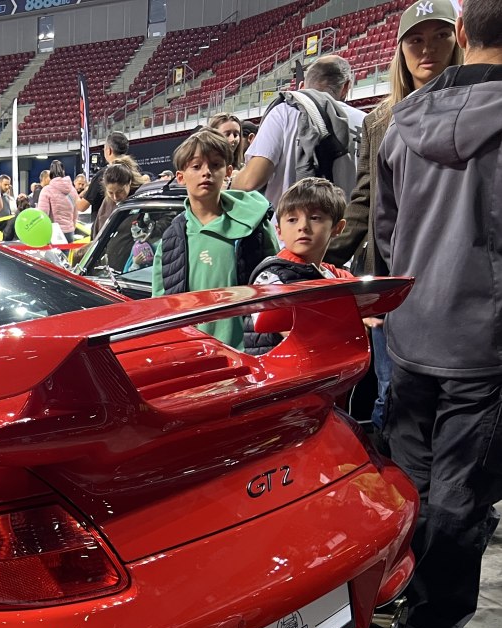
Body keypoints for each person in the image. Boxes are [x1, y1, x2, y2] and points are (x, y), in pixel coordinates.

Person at [376, 0, 502, 628]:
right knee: (461, 495)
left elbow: (384, 233)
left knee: (412, 482)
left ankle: (395, 607)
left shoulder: (400, 121)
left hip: (410, 328)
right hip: (483, 339)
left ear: (459, 35)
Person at [325, 0, 462, 441]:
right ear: (401, 51)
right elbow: (367, 202)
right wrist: (315, 261)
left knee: (460, 405)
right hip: (401, 283)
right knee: (396, 396)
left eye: (440, 36)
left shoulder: (476, 105)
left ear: (458, 40)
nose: (429, 50)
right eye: (416, 40)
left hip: (463, 276)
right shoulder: (382, 120)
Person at [151, 127, 277, 349]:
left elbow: (274, 285)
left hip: (248, 352)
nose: (206, 172)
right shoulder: (171, 240)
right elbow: (161, 307)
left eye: (215, 165)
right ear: (180, 177)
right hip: (192, 353)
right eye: (196, 166)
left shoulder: (255, 226)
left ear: (228, 172)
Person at [243, 177, 357, 355]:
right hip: (281, 375)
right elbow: (292, 331)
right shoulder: (271, 276)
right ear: (278, 230)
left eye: (315, 218)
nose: (303, 227)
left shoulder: (330, 274)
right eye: (292, 220)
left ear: (338, 227)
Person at [232, 55, 366, 203]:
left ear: (302, 86)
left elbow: (250, 181)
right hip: (346, 222)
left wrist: (231, 182)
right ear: (346, 86)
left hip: (287, 222)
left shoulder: (283, 112)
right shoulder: (366, 121)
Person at [91, 161, 139, 236]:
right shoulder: (106, 202)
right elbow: (97, 231)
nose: (115, 197)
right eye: (110, 193)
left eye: (120, 191)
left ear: (129, 182)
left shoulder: (140, 201)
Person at [37, 160, 79, 243]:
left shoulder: (46, 190)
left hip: (53, 234)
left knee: (51, 256)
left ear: (51, 174)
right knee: (67, 256)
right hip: (69, 232)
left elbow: (43, 215)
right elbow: (75, 214)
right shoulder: (73, 190)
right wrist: (72, 227)